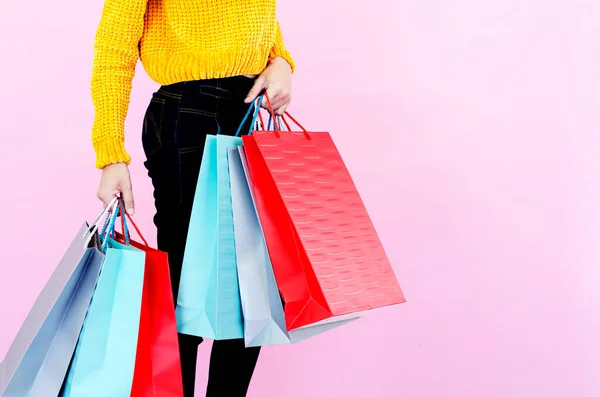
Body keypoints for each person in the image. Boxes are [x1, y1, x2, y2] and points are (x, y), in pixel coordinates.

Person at [92, 1, 294, 396]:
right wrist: (110, 152)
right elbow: (113, 49)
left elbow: (259, 21)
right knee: (186, 284)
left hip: (248, 110)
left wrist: (282, 61)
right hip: (188, 114)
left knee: (250, 286)